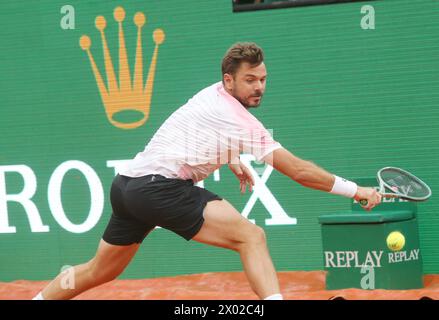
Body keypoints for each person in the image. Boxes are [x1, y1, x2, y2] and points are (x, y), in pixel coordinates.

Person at [33, 42, 381, 300]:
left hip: (127, 187)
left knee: (99, 270)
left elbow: (201, 131)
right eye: (250, 80)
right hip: (158, 188)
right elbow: (300, 172)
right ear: (229, 80)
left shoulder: (210, 95)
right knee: (252, 236)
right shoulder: (241, 120)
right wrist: (357, 190)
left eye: (262, 79)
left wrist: (231, 157)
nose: (259, 87)